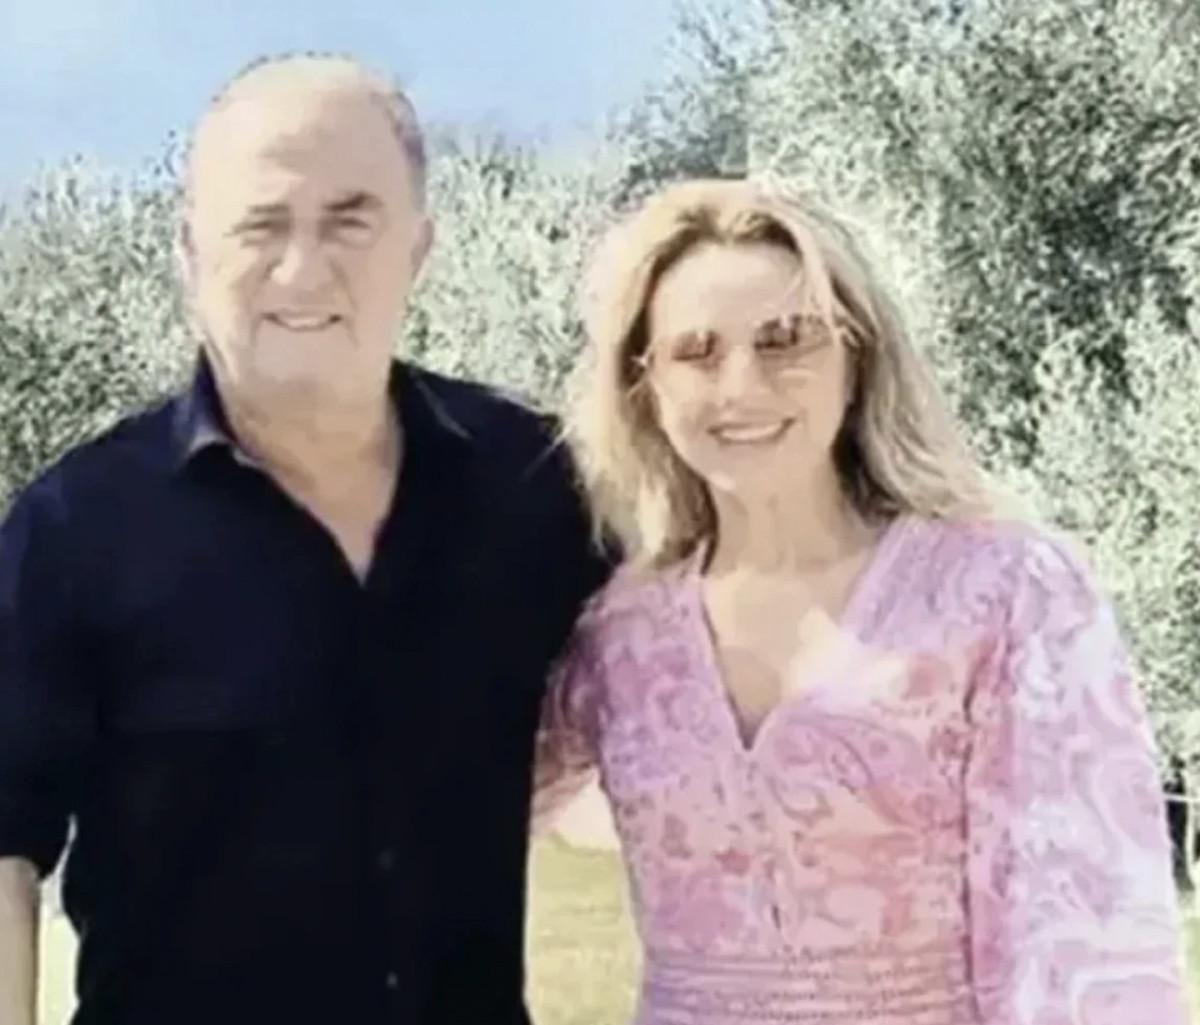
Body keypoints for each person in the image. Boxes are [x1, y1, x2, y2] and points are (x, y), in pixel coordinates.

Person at [0, 54, 607, 1025]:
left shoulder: (540, 485)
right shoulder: (73, 529)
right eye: (261, 224)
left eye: (350, 220)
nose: (302, 267)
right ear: (189, 253)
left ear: (419, 246)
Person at [535, 178, 1189, 1024]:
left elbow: (1085, 932)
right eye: (696, 351)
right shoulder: (615, 631)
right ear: (644, 383)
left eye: (786, 339)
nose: (742, 384)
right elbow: (433, 813)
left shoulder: (1004, 590)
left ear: (858, 357)